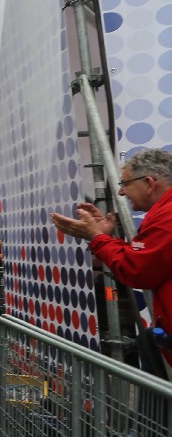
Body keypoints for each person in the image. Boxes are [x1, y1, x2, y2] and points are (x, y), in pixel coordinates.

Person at [51, 149, 172, 368]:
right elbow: (143, 259)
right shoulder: (163, 214)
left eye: (126, 184)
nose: (121, 192)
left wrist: (96, 237)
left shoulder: (167, 217)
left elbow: (137, 269)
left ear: (149, 183)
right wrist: (104, 237)